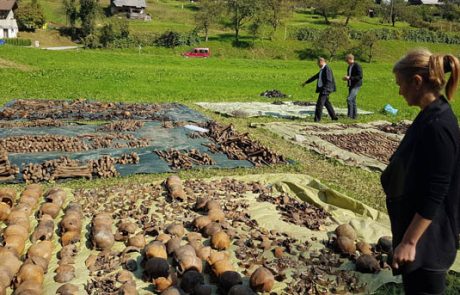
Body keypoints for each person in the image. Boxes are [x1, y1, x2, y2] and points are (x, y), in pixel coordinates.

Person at [381, 49, 460, 295]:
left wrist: (409, 242)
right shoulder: (429, 115)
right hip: (419, 234)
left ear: (416, 82)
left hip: (430, 241)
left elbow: (437, 192)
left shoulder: (439, 125)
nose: (399, 91)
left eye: (400, 84)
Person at [302, 57, 338, 122]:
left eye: (318, 63)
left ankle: (317, 120)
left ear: (321, 62)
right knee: (327, 103)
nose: (317, 64)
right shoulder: (322, 69)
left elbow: (329, 80)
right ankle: (334, 117)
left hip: (326, 89)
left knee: (319, 104)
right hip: (324, 89)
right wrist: (306, 82)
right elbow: (315, 77)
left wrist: (325, 89)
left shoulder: (327, 69)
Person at [342, 54, 363, 119]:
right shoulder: (349, 66)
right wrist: (347, 78)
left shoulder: (357, 65)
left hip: (356, 85)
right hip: (351, 85)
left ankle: (350, 116)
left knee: (349, 99)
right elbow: (350, 76)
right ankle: (354, 116)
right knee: (353, 100)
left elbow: (360, 76)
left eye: (347, 60)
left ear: (350, 59)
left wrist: (350, 78)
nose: (346, 61)